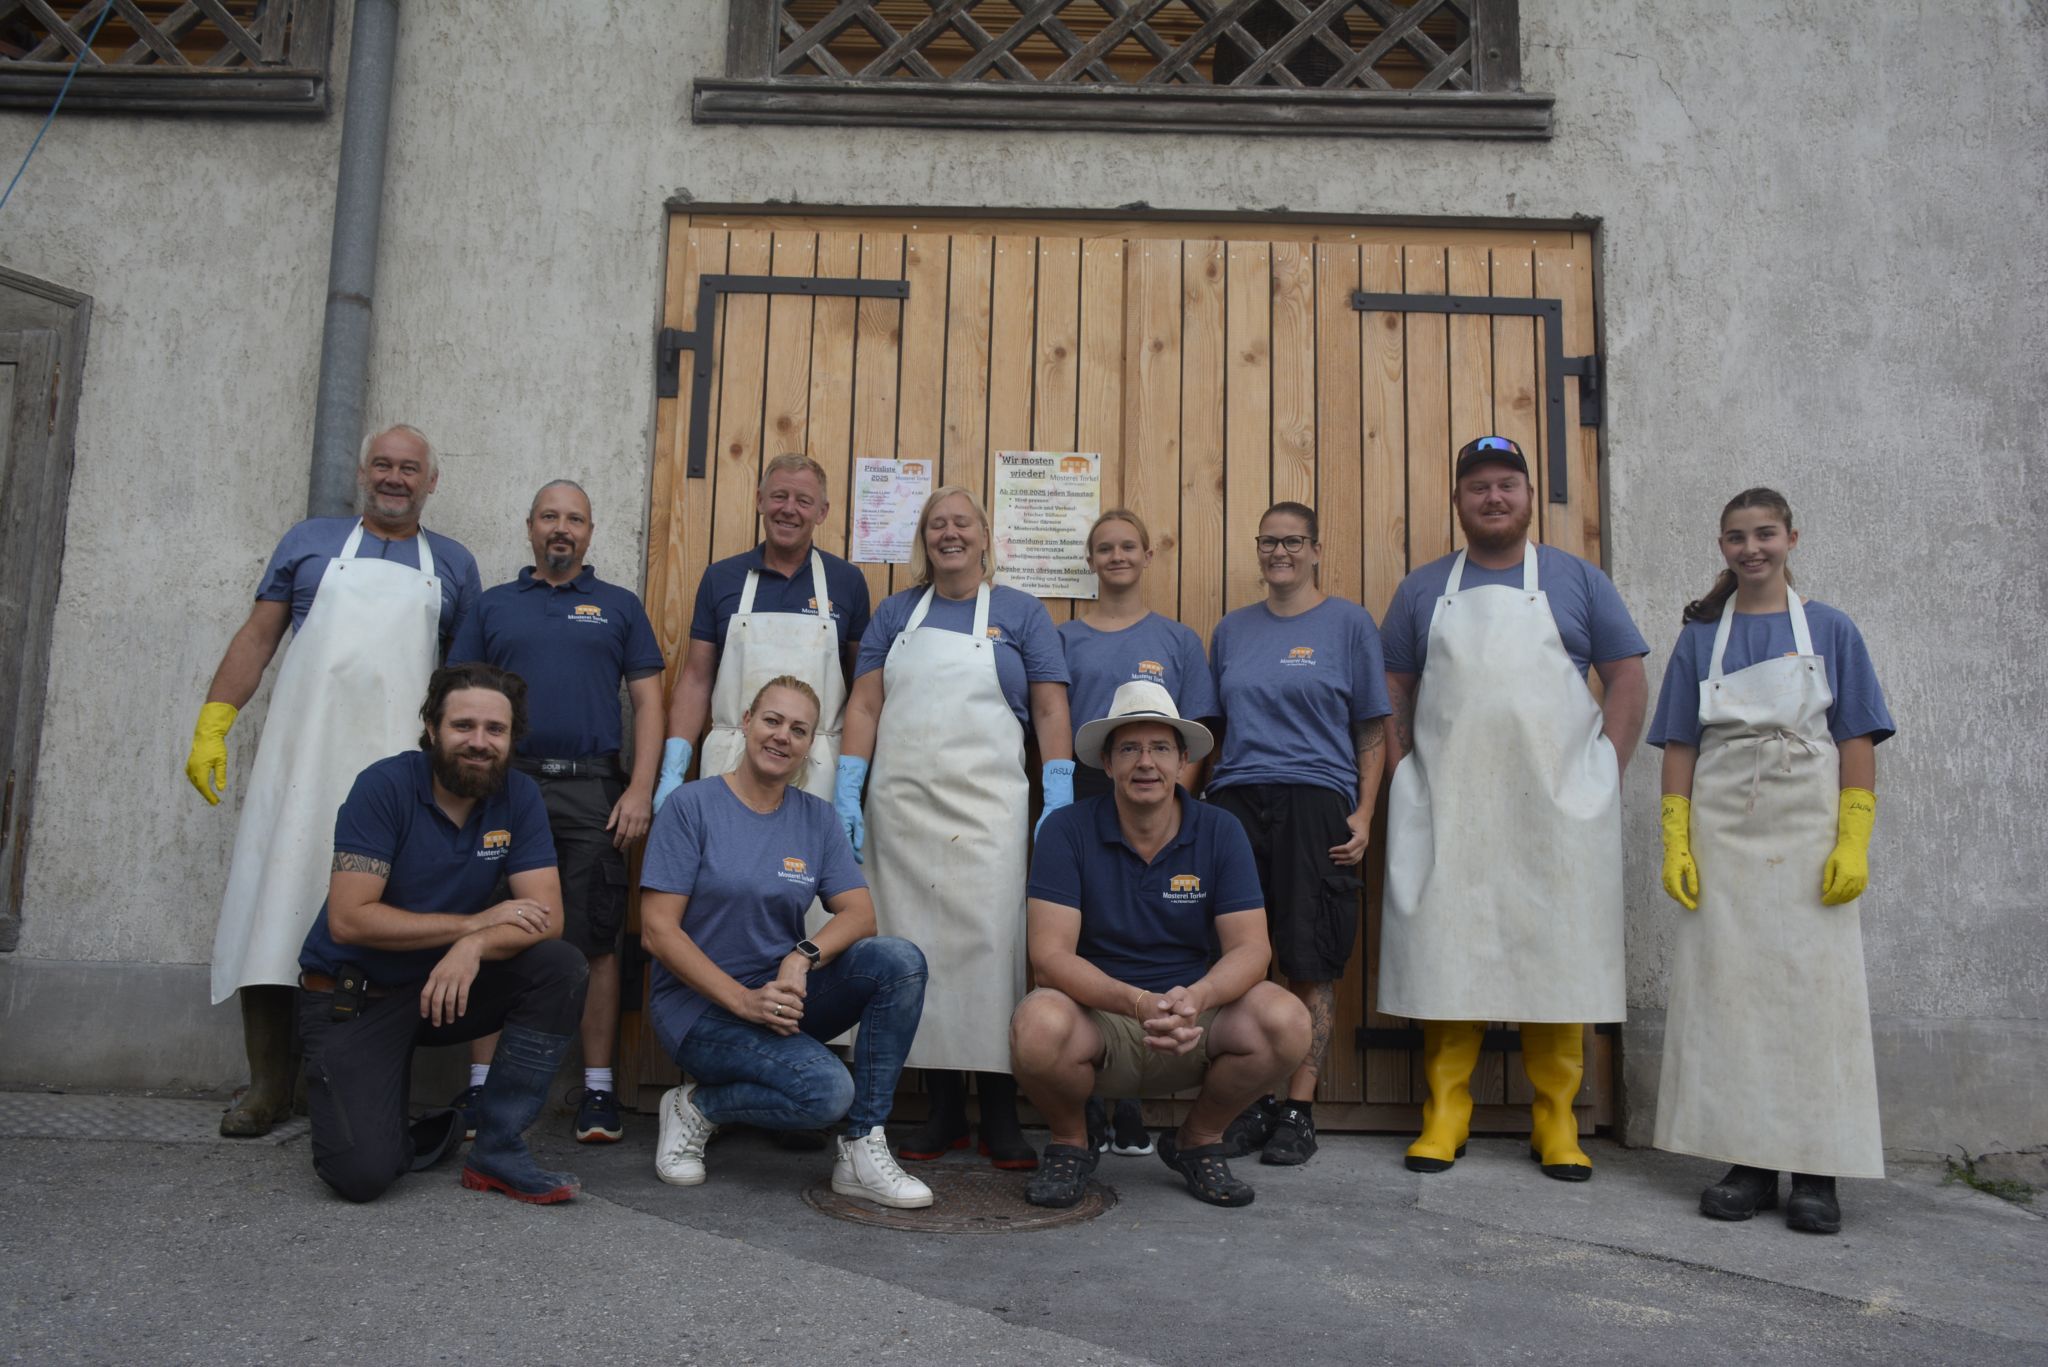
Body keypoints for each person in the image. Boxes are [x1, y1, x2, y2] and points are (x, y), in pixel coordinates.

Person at [185, 424, 482, 1138]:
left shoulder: (454, 564)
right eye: (383, 463)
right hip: (302, 760)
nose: (395, 477)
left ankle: (356, 1078)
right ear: (362, 472)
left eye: (410, 468)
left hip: (394, 775)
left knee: (382, 917)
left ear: (431, 481)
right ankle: (267, 1084)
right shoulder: (308, 542)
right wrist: (214, 720)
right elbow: (260, 636)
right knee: (277, 900)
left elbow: (458, 679)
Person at [1378, 436, 1649, 1181]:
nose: (1493, 498)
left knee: (1558, 952)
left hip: (1556, 811)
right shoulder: (1422, 588)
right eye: (1478, 488)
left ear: (1529, 496)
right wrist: (1406, 774)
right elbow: (1393, 686)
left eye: (1507, 485)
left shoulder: (1579, 580)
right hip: (1451, 802)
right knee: (1446, 949)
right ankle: (1446, 1109)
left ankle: (1557, 1116)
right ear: (1458, 502)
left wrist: (1607, 768)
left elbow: (1627, 678)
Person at [1649, 487, 1892, 1235]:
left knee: (1816, 1002)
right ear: (1721, 546)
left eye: (1764, 534)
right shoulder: (1699, 638)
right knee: (1734, 999)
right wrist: (1675, 836)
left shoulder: (1831, 628)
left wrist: (1853, 836)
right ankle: (1747, 1162)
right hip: (1725, 838)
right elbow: (1681, 745)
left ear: (1792, 536)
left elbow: (1855, 737)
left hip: (1809, 835)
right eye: (1735, 537)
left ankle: (1817, 1172)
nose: (1750, 548)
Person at [836, 484, 1074, 1171]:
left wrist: (1057, 793)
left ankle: (1001, 1112)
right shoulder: (894, 612)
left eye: (961, 522)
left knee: (992, 953)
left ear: (983, 534)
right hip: (902, 815)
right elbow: (865, 704)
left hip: (988, 816)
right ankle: (941, 1110)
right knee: (916, 954)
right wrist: (846, 790)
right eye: (936, 523)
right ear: (923, 537)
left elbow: (1052, 710)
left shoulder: (1022, 613)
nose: (949, 533)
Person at [295, 663, 589, 1205]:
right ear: (432, 727)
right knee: (361, 1176)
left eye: (495, 730)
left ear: (511, 738)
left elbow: (547, 916)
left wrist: (474, 946)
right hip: (355, 1000)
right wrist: (473, 924)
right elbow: (350, 917)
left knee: (559, 965)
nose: (479, 742)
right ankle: (407, 1125)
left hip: (440, 992)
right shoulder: (382, 786)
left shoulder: (518, 797)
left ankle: (498, 1148)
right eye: (463, 726)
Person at [1011, 682, 1310, 1209]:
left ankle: (1198, 1141)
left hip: (1191, 1017)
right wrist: (1137, 1002)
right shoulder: (1066, 830)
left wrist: (1195, 997)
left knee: (1288, 1021)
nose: (1145, 763)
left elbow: (1251, 950)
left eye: (1160, 749)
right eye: (1129, 748)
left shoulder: (1221, 830)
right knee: (1036, 1026)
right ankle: (1070, 1143)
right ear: (1106, 763)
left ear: (1183, 760)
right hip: (1098, 1019)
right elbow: (1050, 958)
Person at [640, 677, 932, 1209]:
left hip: (779, 998)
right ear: (747, 721)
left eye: (799, 730)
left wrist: (803, 956)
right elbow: (658, 931)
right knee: (825, 1093)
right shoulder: (691, 806)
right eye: (772, 720)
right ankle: (699, 1106)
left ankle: (863, 1148)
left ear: (811, 744)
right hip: (700, 1010)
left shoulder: (816, 818)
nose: (782, 737)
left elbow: (860, 914)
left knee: (899, 961)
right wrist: (740, 1000)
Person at [445, 481, 665, 1145]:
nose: (561, 528)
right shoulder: (492, 607)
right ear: (530, 526)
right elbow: (457, 699)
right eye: (550, 516)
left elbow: (650, 705)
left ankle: (597, 1093)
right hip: (504, 789)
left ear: (591, 531)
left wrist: (641, 790)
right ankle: (482, 1092)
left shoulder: (619, 607)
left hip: (594, 792)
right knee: (488, 927)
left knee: (596, 938)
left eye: (574, 518)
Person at [1206, 501, 1391, 1168]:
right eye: (1268, 541)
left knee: (1310, 957)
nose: (1279, 551)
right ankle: (1251, 1098)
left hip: (1318, 801)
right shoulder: (1231, 630)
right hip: (1234, 801)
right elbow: (1215, 730)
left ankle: (1298, 1109)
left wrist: (1365, 813)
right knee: (1242, 957)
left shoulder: (1348, 624)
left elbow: (1373, 729)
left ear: (1316, 550)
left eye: (1292, 541)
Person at [1057, 508, 1218, 1158]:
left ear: (1147, 555)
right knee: (1088, 937)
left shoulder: (1177, 639)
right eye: (1105, 547)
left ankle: (1128, 1103)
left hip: (1158, 798)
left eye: (1128, 545)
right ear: (1091, 560)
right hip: (1085, 796)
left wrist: (1176, 795)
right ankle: (1091, 1097)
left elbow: (1198, 726)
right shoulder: (1065, 637)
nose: (1117, 555)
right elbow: (1048, 718)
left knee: (1142, 933)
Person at [656, 453, 871, 813]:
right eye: (779, 496)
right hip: (730, 763)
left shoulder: (847, 582)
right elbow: (695, 680)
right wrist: (672, 772)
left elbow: (863, 692)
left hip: (818, 771)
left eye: (804, 501)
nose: (789, 509)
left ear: (822, 512)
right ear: (759, 500)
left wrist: (850, 787)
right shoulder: (721, 578)